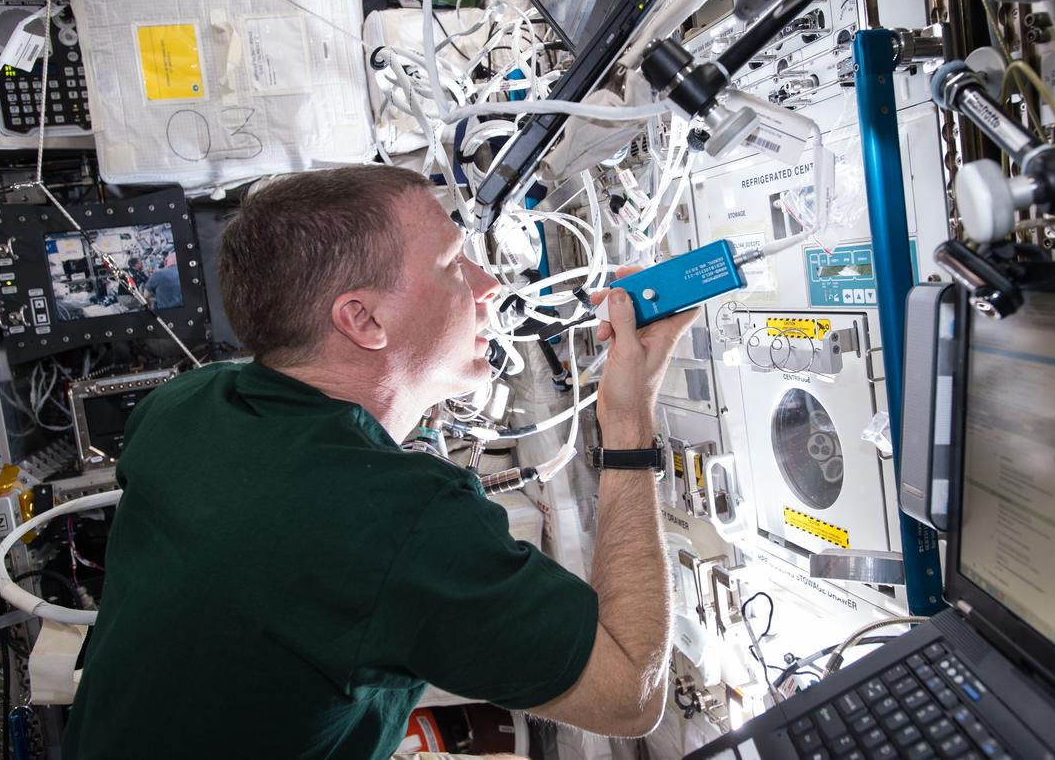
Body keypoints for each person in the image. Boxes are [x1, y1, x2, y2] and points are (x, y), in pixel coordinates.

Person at [61, 165, 698, 759]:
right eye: (453, 265)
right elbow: (633, 694)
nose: (489, 282)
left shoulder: (184, 405)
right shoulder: (404, 523)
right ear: (362, 320)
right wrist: (627, 419)